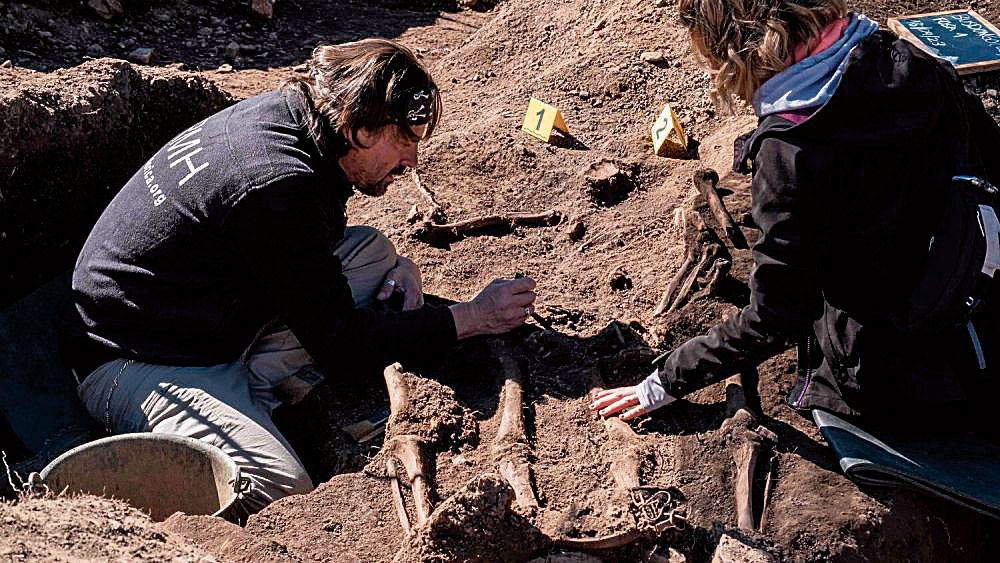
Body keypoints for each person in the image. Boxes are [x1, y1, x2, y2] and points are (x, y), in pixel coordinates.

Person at [67, 38, 537, 514]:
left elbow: (305, 258)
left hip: (191, 312)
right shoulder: (276, 185)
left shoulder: (292, 117)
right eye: (405, 139)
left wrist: (405, 271)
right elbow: (346, 347)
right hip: (135, 362)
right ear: (360, 128)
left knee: (374, 255)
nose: (411, 160)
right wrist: (471, 317)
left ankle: (247, 401)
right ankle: (229, 416)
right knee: (280, 489)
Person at [593, 0, 1000, 422]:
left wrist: (665, 380)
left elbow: (778, 317)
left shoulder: (790, 152)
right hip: (983, 305)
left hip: (906, 368)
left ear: (733, 50)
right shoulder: (910, 61)